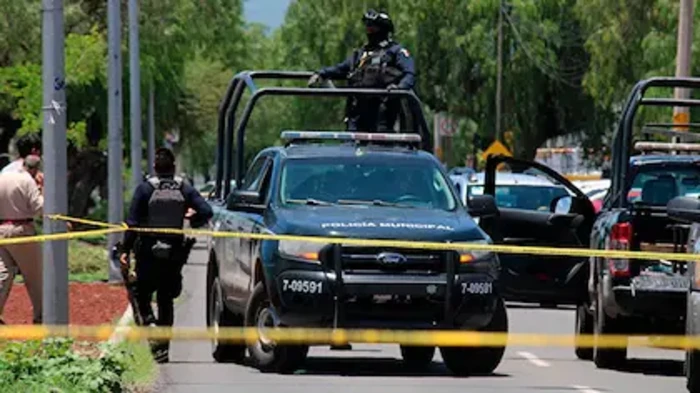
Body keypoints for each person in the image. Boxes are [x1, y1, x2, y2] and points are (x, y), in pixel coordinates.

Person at [118, 148, 213, 363]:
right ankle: (163, 350)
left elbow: (132, 224)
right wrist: (192, 221)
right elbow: (206, 211)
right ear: (173, 168)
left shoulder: (145, 189)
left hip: (147, 252)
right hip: (174, 253)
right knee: (166, 299)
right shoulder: (184, 188)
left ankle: (150, 324)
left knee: (141, 295)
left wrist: (125, 249)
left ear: (154, 168)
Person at [308, 9, 416, 132]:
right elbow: (340, 68)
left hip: (382, 112)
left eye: (373, 27)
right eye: (368, 27)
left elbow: (409, 74)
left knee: (380, 147)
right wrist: (321, 73)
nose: (369, 31)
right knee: (351, 147)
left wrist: (398, 88)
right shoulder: (361, 55)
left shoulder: (395, 52)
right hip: (356, 115)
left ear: (384, 29)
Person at [0, 155, 44, 324]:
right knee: (34, 275)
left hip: (2, 229)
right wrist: (41, 188)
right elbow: (39, 207)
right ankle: (41, 315)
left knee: (3, 272)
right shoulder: (27, 180)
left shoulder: (2, 177)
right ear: (34, 169)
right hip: (21, 229)